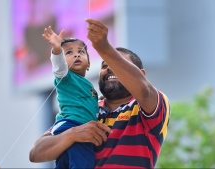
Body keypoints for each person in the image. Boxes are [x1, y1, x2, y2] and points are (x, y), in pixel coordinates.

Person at [30, 19, 170, 169]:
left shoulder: (149, 105)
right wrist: (73, 134)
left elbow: (144, 91)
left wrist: (104, 48)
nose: (109, 68)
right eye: (104, 65)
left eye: (117, 63)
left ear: (141, 74)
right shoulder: (86, 107)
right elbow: (36, 153)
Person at [40, 26, 99, 168]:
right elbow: (59, 67)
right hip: (73, 125)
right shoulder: (65, 77)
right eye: (69, 52)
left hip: (71, 128)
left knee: (64, 164)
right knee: (84, 163)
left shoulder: (87, 84)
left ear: (89, 64)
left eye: (81, 52)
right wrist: (57, 50)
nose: (76, 55)